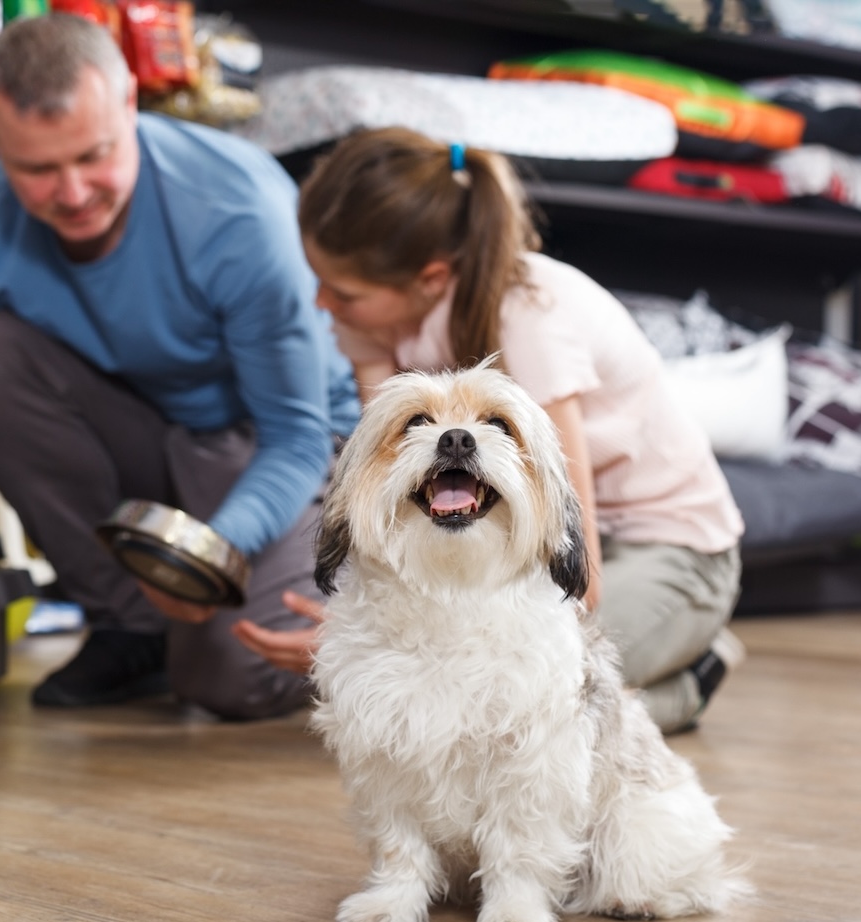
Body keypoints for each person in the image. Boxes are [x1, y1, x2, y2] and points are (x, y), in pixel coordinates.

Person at [0, 14, 360, 720]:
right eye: (36, 168)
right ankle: (131, 625)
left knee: (229, 678)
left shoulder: (236, 213)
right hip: (151, 432)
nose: (71, 192)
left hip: (267, 448)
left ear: (129, 103)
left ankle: (323, 626)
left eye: (93, 156)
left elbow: (297, 438)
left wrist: (210, 554)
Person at [237, 127, 747, 735]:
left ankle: (691, 678)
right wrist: (359, 625)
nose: (322, 304)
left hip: (669, 550)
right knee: (451, 686)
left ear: (429, 278)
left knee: (535, 702)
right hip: (516, 541)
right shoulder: (375, 318)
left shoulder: (533, 317)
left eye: (344, 292)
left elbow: (574, 565)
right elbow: (380, 479)